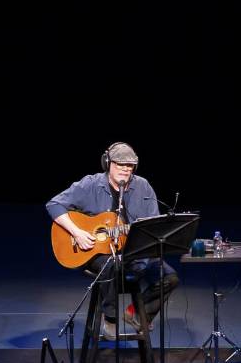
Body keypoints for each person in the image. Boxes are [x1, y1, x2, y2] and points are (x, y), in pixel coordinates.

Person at [46, 142, 179, 341]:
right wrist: (77, 232)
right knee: (111, 265)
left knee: (169, 277)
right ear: (107, 163)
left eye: (130, 166)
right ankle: (110, 318)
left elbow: (152, 225)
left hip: (134, 252)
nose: (125, 169)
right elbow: (54, 204)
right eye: (120, 164)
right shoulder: (90, 184)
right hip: (96, 252)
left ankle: (135, 313)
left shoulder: (142, 187)